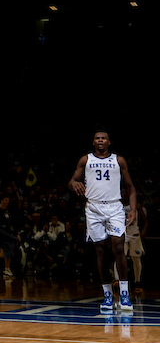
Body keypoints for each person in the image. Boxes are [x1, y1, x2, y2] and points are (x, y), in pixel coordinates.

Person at [68, 130, 137, 313]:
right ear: (93, 142)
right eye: (97, 138)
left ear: (109, 142)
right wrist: (74, 184)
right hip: (93, 208)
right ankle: (107, 295)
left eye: (103, 138)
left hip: (114, 207)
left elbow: (130, 188)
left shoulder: (118, 160)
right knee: (100, 252)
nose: (100, 140)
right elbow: (72, 181)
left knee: (118, 247)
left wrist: (133, 210)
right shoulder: (85, 160)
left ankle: (124, 294)